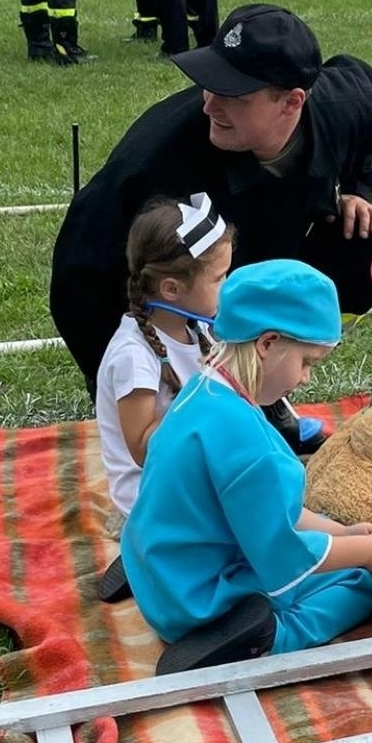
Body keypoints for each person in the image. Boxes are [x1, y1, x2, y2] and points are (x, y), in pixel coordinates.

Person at [50, 3, 372, 447]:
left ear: (293, 101)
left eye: (234, 95)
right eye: (208, 84)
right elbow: (77, 279)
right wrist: (133, 376)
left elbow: (368, 93)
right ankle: (232, 385)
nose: (210, 104)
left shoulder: (343, 104)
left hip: (264, 245)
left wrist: (356, 189)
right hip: (189, 278)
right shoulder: (157, 165)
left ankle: (271, 378)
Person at [118, 259, 372, 674]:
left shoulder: (201, 388)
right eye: (308, 361)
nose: (307, 379)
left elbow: (274, 510)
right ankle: (268, 637)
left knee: (333, 532)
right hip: (200, 606)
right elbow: (283, 553)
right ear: (268, 343)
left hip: (158, 573)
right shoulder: (251, 443)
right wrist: (366, 550)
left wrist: (343, 533)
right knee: (363, 580)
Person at [96, 194, 232, 521]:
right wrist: (206, 403)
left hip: (189, 478)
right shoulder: (133, 356)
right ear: (171, 290)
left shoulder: (197, 327)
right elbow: (143, 450)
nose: (228, 285)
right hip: (154, 502)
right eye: (219, 278)